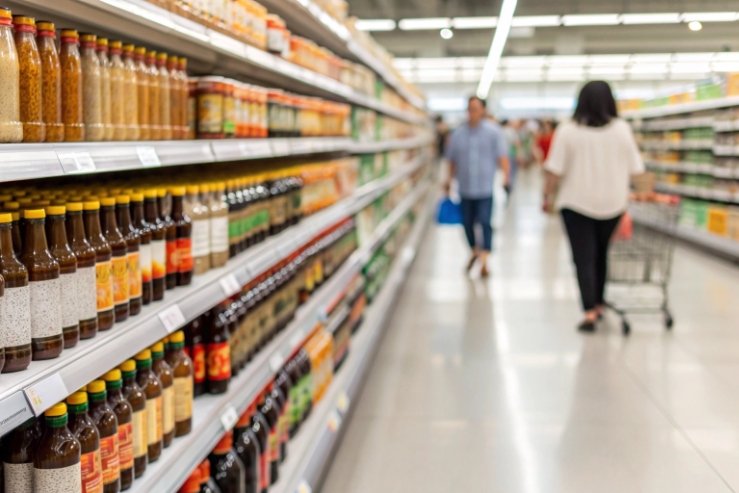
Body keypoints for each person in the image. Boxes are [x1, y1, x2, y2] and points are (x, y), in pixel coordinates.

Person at [543, 80, 644, 333]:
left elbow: (554, 170)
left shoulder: (567, 130)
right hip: (613, 204)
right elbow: (636, 169)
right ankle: (598, 303)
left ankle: (589, 310)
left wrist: (547, 197)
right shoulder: (622, 129)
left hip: (575, 204)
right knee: (601, 255)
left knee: (583, 258)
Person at [444, 96, 510, 277]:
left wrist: (506, 177)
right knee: (467, 223)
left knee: (485, 222)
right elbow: (452, 160)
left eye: (475, 108)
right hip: (465, 187)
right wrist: (448, 180)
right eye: (469, 108)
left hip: (485, 187)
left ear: (483, 110)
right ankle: (474, 250)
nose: (472, 112)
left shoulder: (493, 132)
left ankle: (485, 260)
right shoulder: (458, 134)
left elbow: (502, 156)